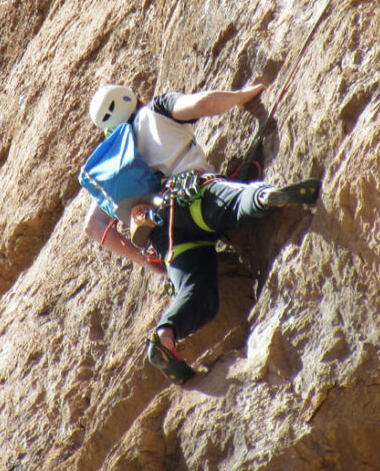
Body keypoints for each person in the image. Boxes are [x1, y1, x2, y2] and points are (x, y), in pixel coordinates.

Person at [83, 84, 320, 384]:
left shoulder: (115, 164)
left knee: (198, 295)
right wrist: (244, 96)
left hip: (166, 235)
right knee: (233, 200)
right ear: (133, 99)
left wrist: (148, 263)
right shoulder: (156, 109)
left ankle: (165, 335)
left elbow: (93, 226)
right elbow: (205, 104)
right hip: (193, 192)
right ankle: (263, 197)